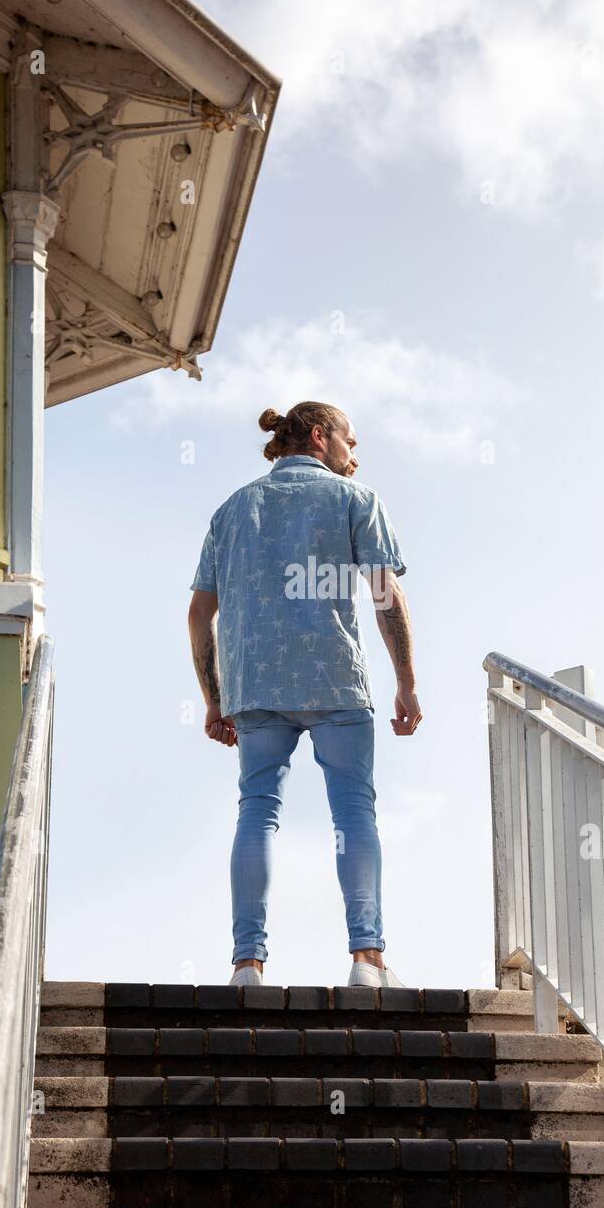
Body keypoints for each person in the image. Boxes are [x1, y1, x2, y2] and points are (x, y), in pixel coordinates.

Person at [187, 402, 422, 988]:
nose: (356, 454)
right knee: (354, 812)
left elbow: (199, 611)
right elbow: (385, 595)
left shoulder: (231, 510)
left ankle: (247, 964)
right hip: (335, 679)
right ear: (321, 437)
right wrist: (407, 682)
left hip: (256, 686)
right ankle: (367, 962)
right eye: (351, 440)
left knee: (257, 812)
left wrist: (215, 698)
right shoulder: (356, 500)